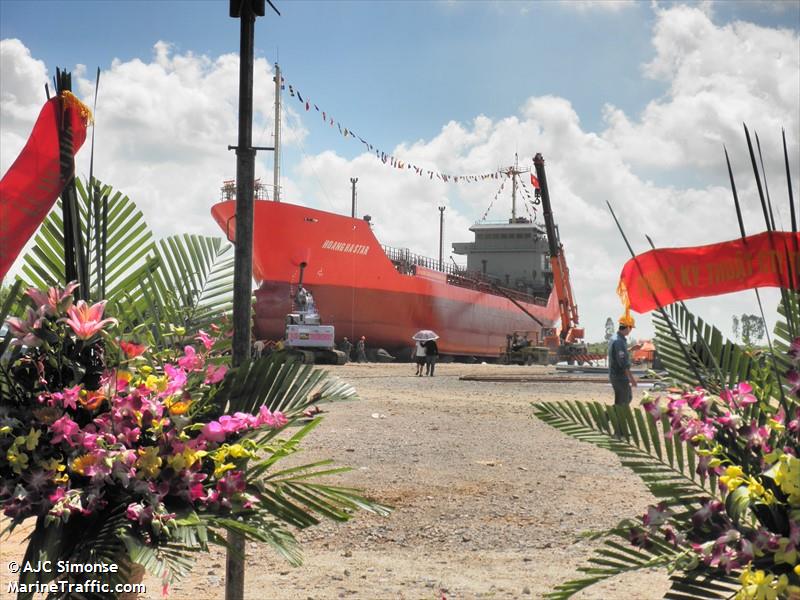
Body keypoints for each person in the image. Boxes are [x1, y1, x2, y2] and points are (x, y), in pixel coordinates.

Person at [608, 314, 637, 406]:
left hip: (616, 376)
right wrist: (632, 379)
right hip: (619, 376)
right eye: (631, 328)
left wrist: (630, 349)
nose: (631, 330)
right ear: (628, 327)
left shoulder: (615, 338)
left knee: (625, 399)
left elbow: (618, 354)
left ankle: (606, 417)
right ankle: (605, 417)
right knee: (623, 401)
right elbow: (623, 363)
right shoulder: (619, 341)